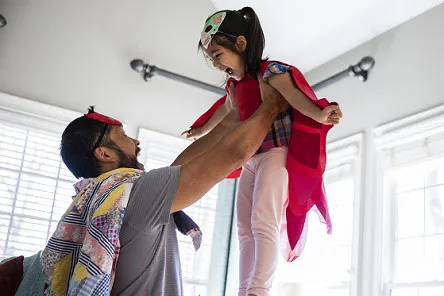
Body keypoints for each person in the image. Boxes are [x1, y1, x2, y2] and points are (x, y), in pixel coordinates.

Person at [39, 78, 288, 296]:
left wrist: (231, 118)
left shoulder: (106, 199)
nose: (135, 142)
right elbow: (235, 153)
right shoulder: (131, 194)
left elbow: (180, 167)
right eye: (123, 136)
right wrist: (271, 106)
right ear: (104, 154)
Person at [182, 7, 343, 296]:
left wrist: (320, 115)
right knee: (244, 228)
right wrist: (199, 131)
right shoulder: (235, 86)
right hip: (250, 159)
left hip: (275, 154)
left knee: (263, 221)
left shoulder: (271, 73)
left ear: (241, 45)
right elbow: (223, 114)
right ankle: (245, 289)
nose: (217, 65)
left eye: (218, 56)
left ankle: (258, 290)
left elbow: (297, 97)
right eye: (212, 60)